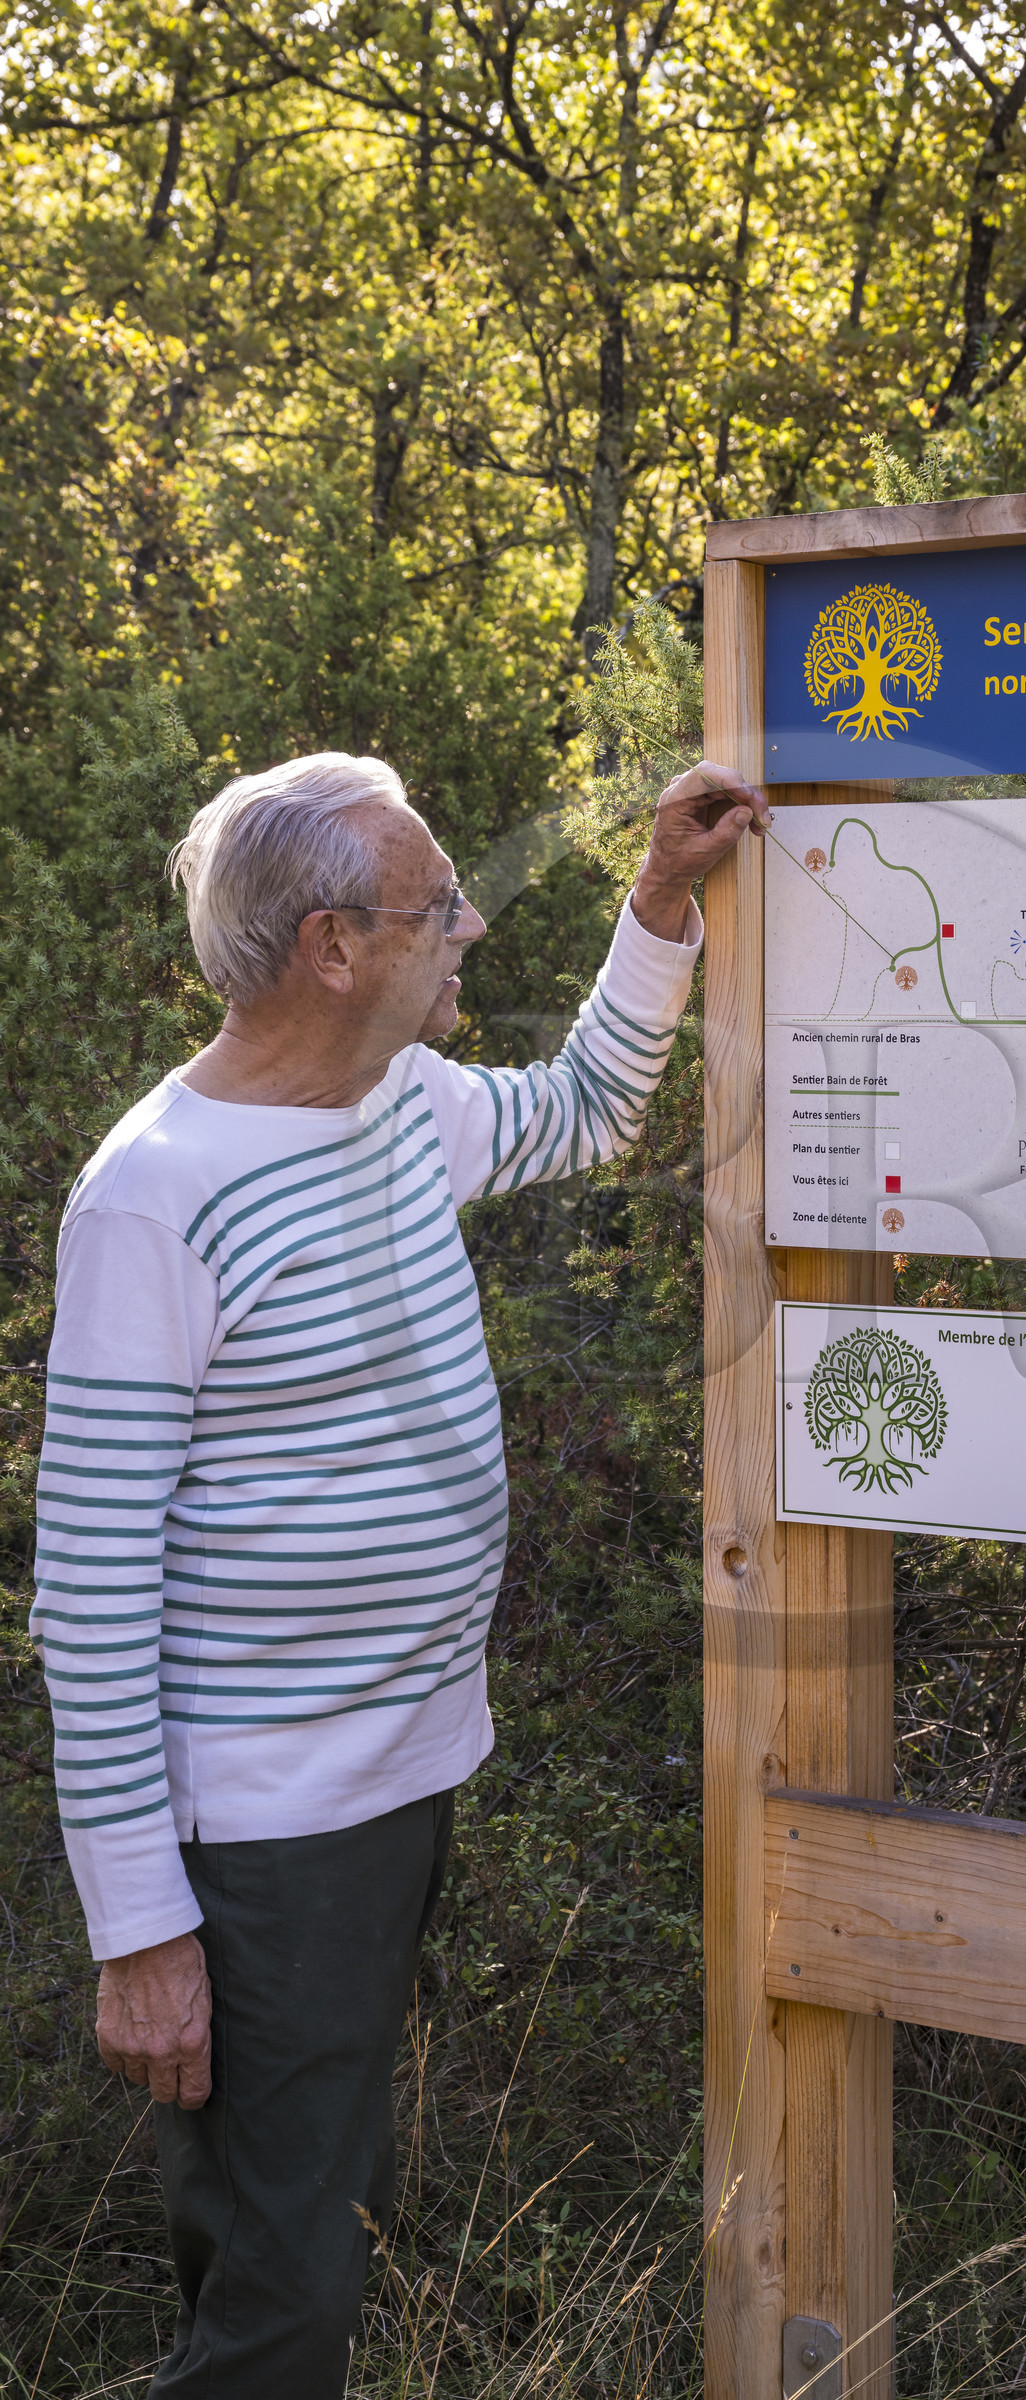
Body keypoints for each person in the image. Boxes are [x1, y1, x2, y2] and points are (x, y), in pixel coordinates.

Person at [31, 749, 769, 2395]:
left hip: (395, 1789)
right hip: (268, 1839)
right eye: (441, 905)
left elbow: (583, 1111)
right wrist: (142, 1927)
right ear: (334, 948)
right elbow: (87, 1594)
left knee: (313, 2226)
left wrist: (658, 907)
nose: (473, 922)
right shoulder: (154, 1200)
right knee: (286, 2291)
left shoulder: (399, 1106)